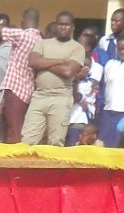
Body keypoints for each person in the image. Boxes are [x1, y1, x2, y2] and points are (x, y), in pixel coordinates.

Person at [20, 11, 83, 146]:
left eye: (67, 25)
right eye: (60, 24)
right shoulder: (43, 43)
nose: (63, 27)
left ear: (73, 27)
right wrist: (60, 61)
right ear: (56, 25)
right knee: (27, 140)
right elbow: (32, 62)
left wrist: (43, 64)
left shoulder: (77, 48)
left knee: (55, 141)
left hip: (61, 97)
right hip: (39, 96)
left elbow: (68, 72)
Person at [0, 3, 43, 142]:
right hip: (27, 90)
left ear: (25, 19)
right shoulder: (39, 39)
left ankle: (13, 160)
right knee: (17, 127)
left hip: (16, 90)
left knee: (13, 130)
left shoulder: (23, 35)